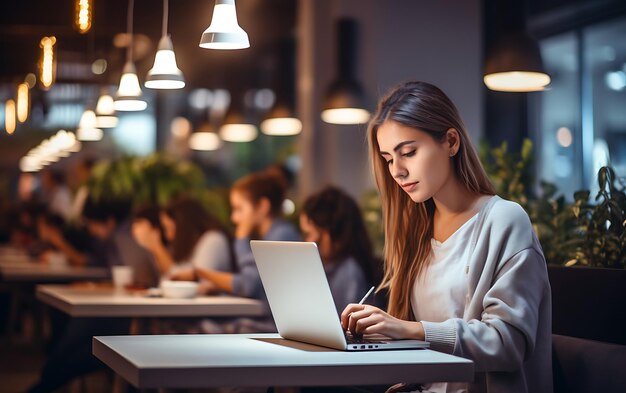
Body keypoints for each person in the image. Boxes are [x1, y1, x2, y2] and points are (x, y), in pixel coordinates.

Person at [340, 81, 552, 393]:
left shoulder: (504, 220)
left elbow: (508, 345)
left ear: (451, 142)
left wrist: (409, 330)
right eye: (388, 159)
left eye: (408, 152)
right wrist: (377, 332)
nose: (396, 170)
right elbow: (421, 346)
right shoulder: (417, 230)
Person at [196, 169, 301, 332]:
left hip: (278, 328)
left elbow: (248, 285)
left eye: (239, 209)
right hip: (272, 324)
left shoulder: (281, 235)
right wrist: (218, 286)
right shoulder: (272, 234)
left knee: (204, 327)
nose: (234, 218)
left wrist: (241, 239)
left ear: (263, 206)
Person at [300, 186, 377, 312]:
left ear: (329, 232)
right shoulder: (334, 267)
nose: (307, 241)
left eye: (309, 234)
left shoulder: (349, 273)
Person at [132, 197, 234, 289]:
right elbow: (168, 279)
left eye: (169, 228)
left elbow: (189, 282)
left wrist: (156, 245)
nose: (168, 236)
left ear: (183, 225)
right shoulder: (189, 246)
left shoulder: (213, 240)